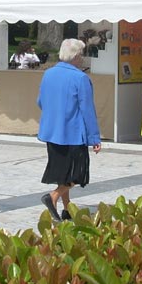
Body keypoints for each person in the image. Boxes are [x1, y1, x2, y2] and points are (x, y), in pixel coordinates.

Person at [37, 38, 102, 222]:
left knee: (62, 172)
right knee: (78, 173)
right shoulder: (80, 78)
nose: (82, 58)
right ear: (75, 56)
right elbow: (87, 110)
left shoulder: (48, 74)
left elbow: (40, 101)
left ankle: (67, 209)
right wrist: (94, 138)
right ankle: (53, 197)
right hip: (73, 134)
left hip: (52, 132)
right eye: (81, 54)